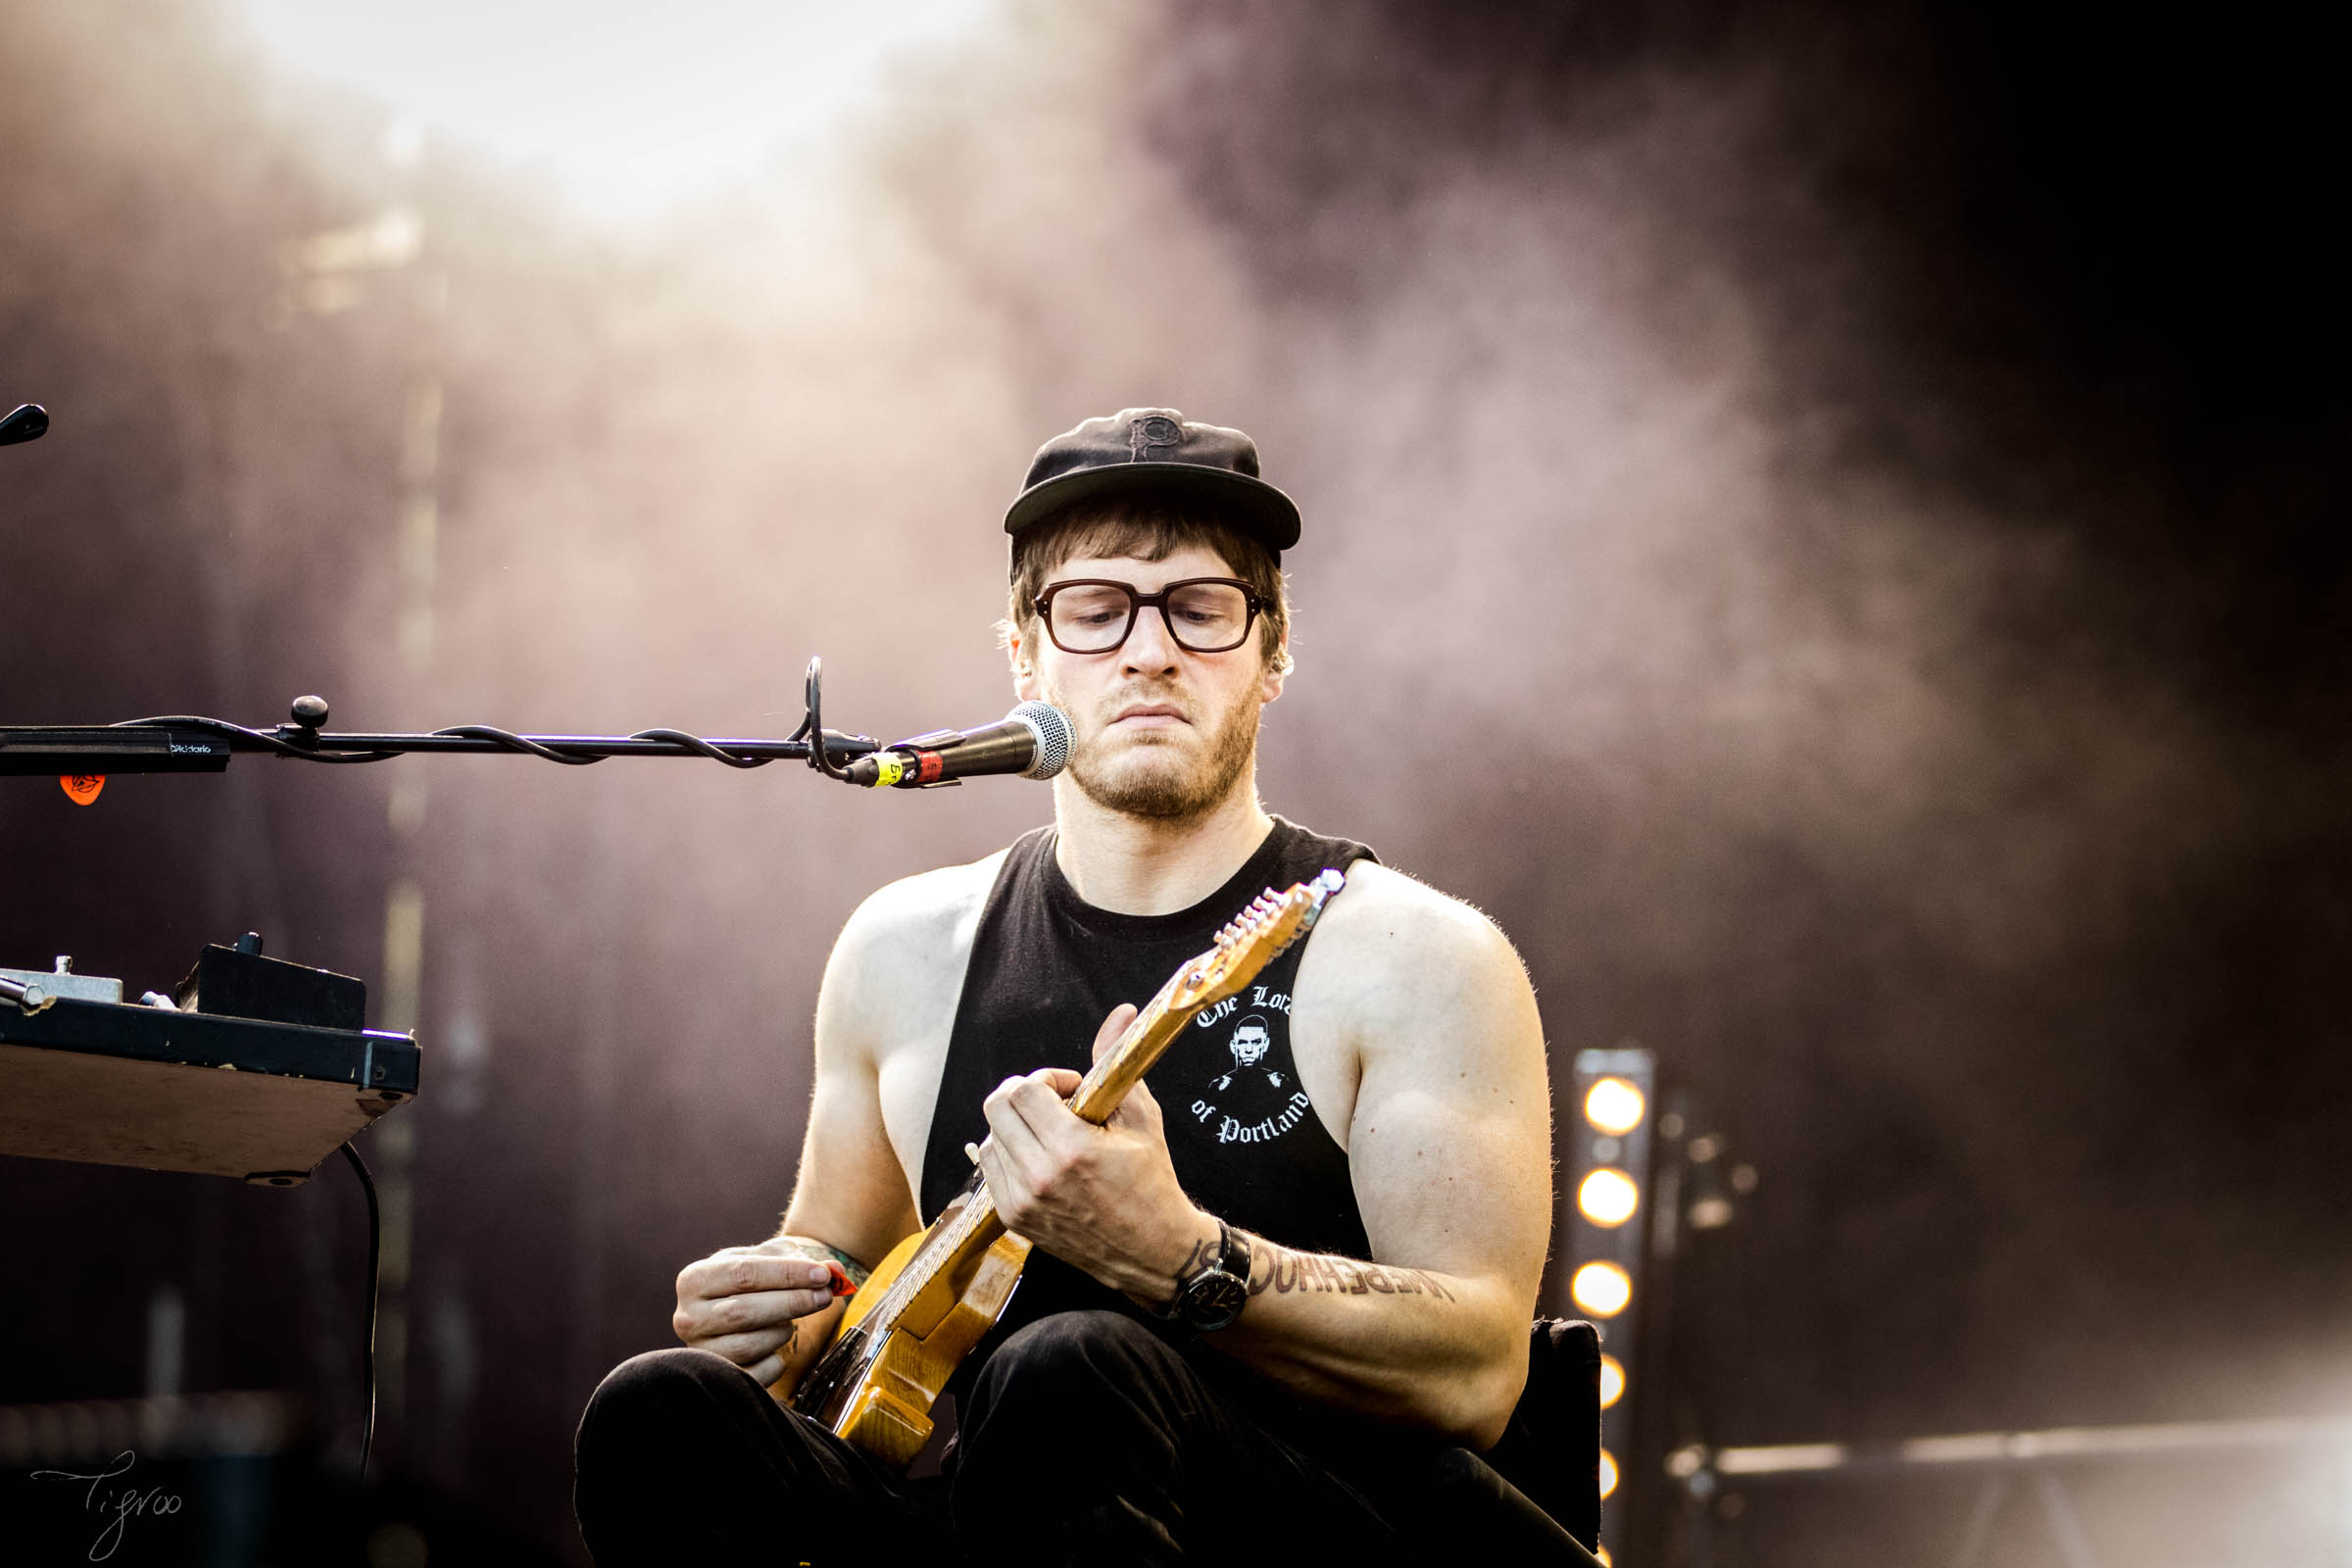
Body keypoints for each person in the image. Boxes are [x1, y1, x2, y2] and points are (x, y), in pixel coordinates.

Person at [574, 409, 1556, 1564]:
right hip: (1016, 1520)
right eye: (1095, 612)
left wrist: (1184, 1258)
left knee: (1073, 1365)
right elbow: (833, 1263)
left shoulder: (1410, 955)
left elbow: (1481, 1369)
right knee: (662, 1412)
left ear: (1274, 651)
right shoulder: (905, 950)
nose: (1150, 652)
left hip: (1325, 1532)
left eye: (1201, 608)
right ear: (1024, 657)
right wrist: (772, 1319)